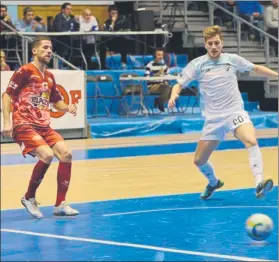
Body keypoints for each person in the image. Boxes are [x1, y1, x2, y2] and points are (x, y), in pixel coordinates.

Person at [168, 25, 277, 200]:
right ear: (205, 45)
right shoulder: (197, 65)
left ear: (222, 44)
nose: (213, 46)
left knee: (251, 140)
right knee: (199, 161)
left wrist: (276, 75)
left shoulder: (232, 59)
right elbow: (178, 83)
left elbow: (255, 68)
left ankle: (259, 182)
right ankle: (213, 183)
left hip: (234, 112)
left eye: (216, 43)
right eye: (210, 43)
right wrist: (174, 95)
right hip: (213, 119)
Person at [2, 36, 79, 218]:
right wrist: (6, 121)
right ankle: (29, 197)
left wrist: (68, 107)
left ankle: (60, 204)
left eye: (51, 48)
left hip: (44, 126)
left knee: (66, 154)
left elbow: (57, 103)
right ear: (35, 51)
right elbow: (7, 95)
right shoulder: (25, 71)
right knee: (47, 154)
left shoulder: (50, 76)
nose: (49, 51)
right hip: (24, 123)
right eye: (45, 48)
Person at [145, 48, 172, 112]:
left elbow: (167, 75)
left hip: (162, 86)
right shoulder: (149, 65)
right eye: (158, 55)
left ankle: (159, 100)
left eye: (162, 55)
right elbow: (146, 78)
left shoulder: (164, 65)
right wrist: (157, 77)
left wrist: (166, 78)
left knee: (173, 90)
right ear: (155, 55)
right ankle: (160, 101)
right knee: (167, 88)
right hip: (152, 86)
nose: (160, 57)